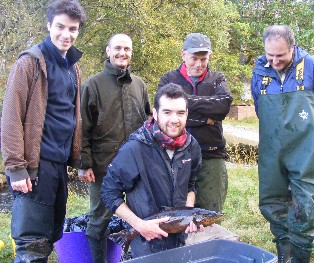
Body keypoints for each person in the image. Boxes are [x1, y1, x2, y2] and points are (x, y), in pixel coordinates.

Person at [0, 0, 86, 262]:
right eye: (60, 27)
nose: (66, 34)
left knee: (50, 237)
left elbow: (74, 116)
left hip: (58, 167)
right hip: (34, 167)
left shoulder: (73, 67)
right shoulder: (30, 63)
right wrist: (16, 168)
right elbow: (11, 117)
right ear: (48, 25)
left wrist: (79, 160)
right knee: (31, 246)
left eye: (72, 29)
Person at [251, 25, 314, 263]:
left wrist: (311, 136)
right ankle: (284, 255)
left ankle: (300, 257)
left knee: (307, 205)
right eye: (270, 55)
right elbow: (261, 108)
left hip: (306, 150)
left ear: (293, 47)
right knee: (273, 202)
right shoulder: (260, 70)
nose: (274, 60)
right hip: (272, 150)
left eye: (280, 55)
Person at [101, 83, 203, 258]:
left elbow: (191, 185)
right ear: (155, 113)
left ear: (187, 114)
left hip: (179, 239)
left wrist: (189, 214)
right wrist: (140, 226)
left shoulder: (192, 146)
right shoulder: (135, 148)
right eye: (167, 112)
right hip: (146, 242)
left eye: (180, 113)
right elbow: (108, 192)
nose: (174, 119)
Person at [78, 33, 151, 262]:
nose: (123, 53)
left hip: (137, 166)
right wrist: (84, 164)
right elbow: (81, 128)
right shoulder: (93, 85)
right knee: (99, 220)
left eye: (127, 49)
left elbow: (149, 123)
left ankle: (135, 257)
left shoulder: (139, 85)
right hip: (103, 167)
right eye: (118, 48)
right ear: (108, 51)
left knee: (140, 216)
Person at [158, 33, 233, 213]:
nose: (198, 64)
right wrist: (205, 119)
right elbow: (164, 116)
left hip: (211, 155)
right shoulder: (169, 79)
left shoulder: (218, 79)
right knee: (177, 213)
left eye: (203, 59)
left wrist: (184, 103)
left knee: (210, 213)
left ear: (209, 57)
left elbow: (222, 107)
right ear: (183, 55)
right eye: (194, 58)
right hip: (175, 155)